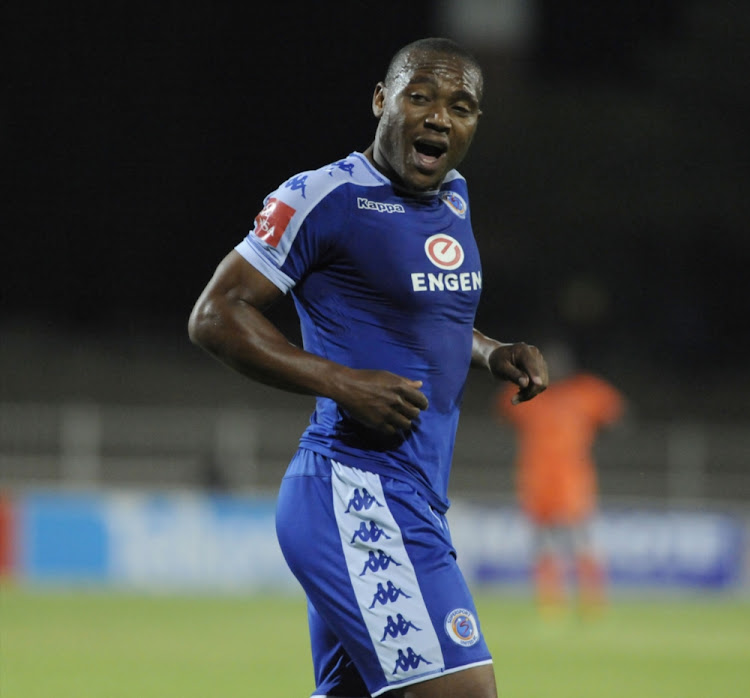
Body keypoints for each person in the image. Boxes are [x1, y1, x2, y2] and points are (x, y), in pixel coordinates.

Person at [189, 37, 548, 698]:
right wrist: (340, 382)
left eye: (461, 106)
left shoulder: (455, 196)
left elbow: (430, 319)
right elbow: (215, 314)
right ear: (382, 101)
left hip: (413, 494)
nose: (440, 116)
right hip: (356, 493)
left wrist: (491, 351)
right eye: (421, 97)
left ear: (473, 126)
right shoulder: (323, 196)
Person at [494, 342, 624, 620]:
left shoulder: (586, 391)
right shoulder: (530, 393)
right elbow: (502, 409)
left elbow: (618, 417)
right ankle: (552, 605)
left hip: (573, 484)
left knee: (581, 544)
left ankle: (592, 604)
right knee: (545, 547)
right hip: (538, 484)